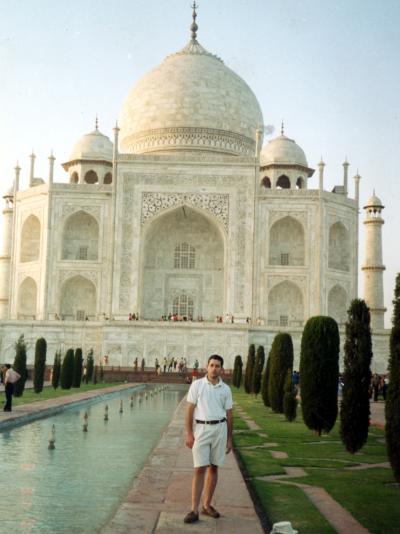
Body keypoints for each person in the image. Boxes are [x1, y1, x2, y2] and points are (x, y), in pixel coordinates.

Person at [183, 354, 233, 524]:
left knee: (214, 468)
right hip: (201, 430)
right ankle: (193, 509)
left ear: (222, 369)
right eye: (211, 365)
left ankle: (207, 505)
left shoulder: (225, 389)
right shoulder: (197, 385)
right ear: (206, 367)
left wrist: (229, 439)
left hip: (220, 428)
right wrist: (189, 433)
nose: (214, 368)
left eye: (217, 366)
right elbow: (189, 410)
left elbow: (229, 414)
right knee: (199, 468)